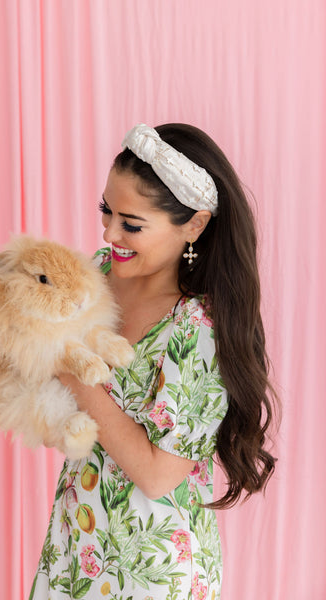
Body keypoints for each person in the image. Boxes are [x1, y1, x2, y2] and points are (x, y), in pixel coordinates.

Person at [29, 123, 278, 600]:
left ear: (195, 225)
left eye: (131, 223)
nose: (109, 233)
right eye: (107, 211)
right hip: (77, 544)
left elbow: (159, 476)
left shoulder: (197, 328)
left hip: (153, 569)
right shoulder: (96, 275)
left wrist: (72, 371)